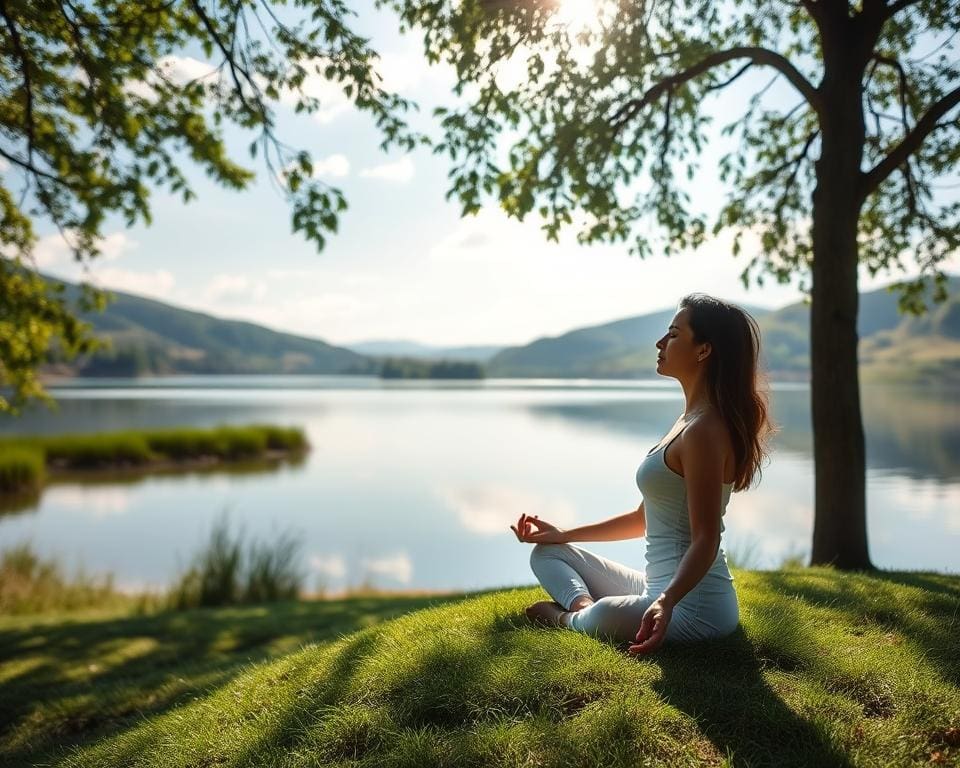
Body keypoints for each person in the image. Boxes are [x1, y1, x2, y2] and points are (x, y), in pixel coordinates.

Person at [511, 294, 773, 654]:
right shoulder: (688, 422)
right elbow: (642, 518)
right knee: (547, 554)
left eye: (674, 334)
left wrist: (665, 602)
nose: (660, 342)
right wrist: (564, 534)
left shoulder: (704, 431)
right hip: (657, 589)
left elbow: (707, 538)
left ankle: (566, 619)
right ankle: (582, 610)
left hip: (697, 609)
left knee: (607, 614)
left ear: (703, 351)